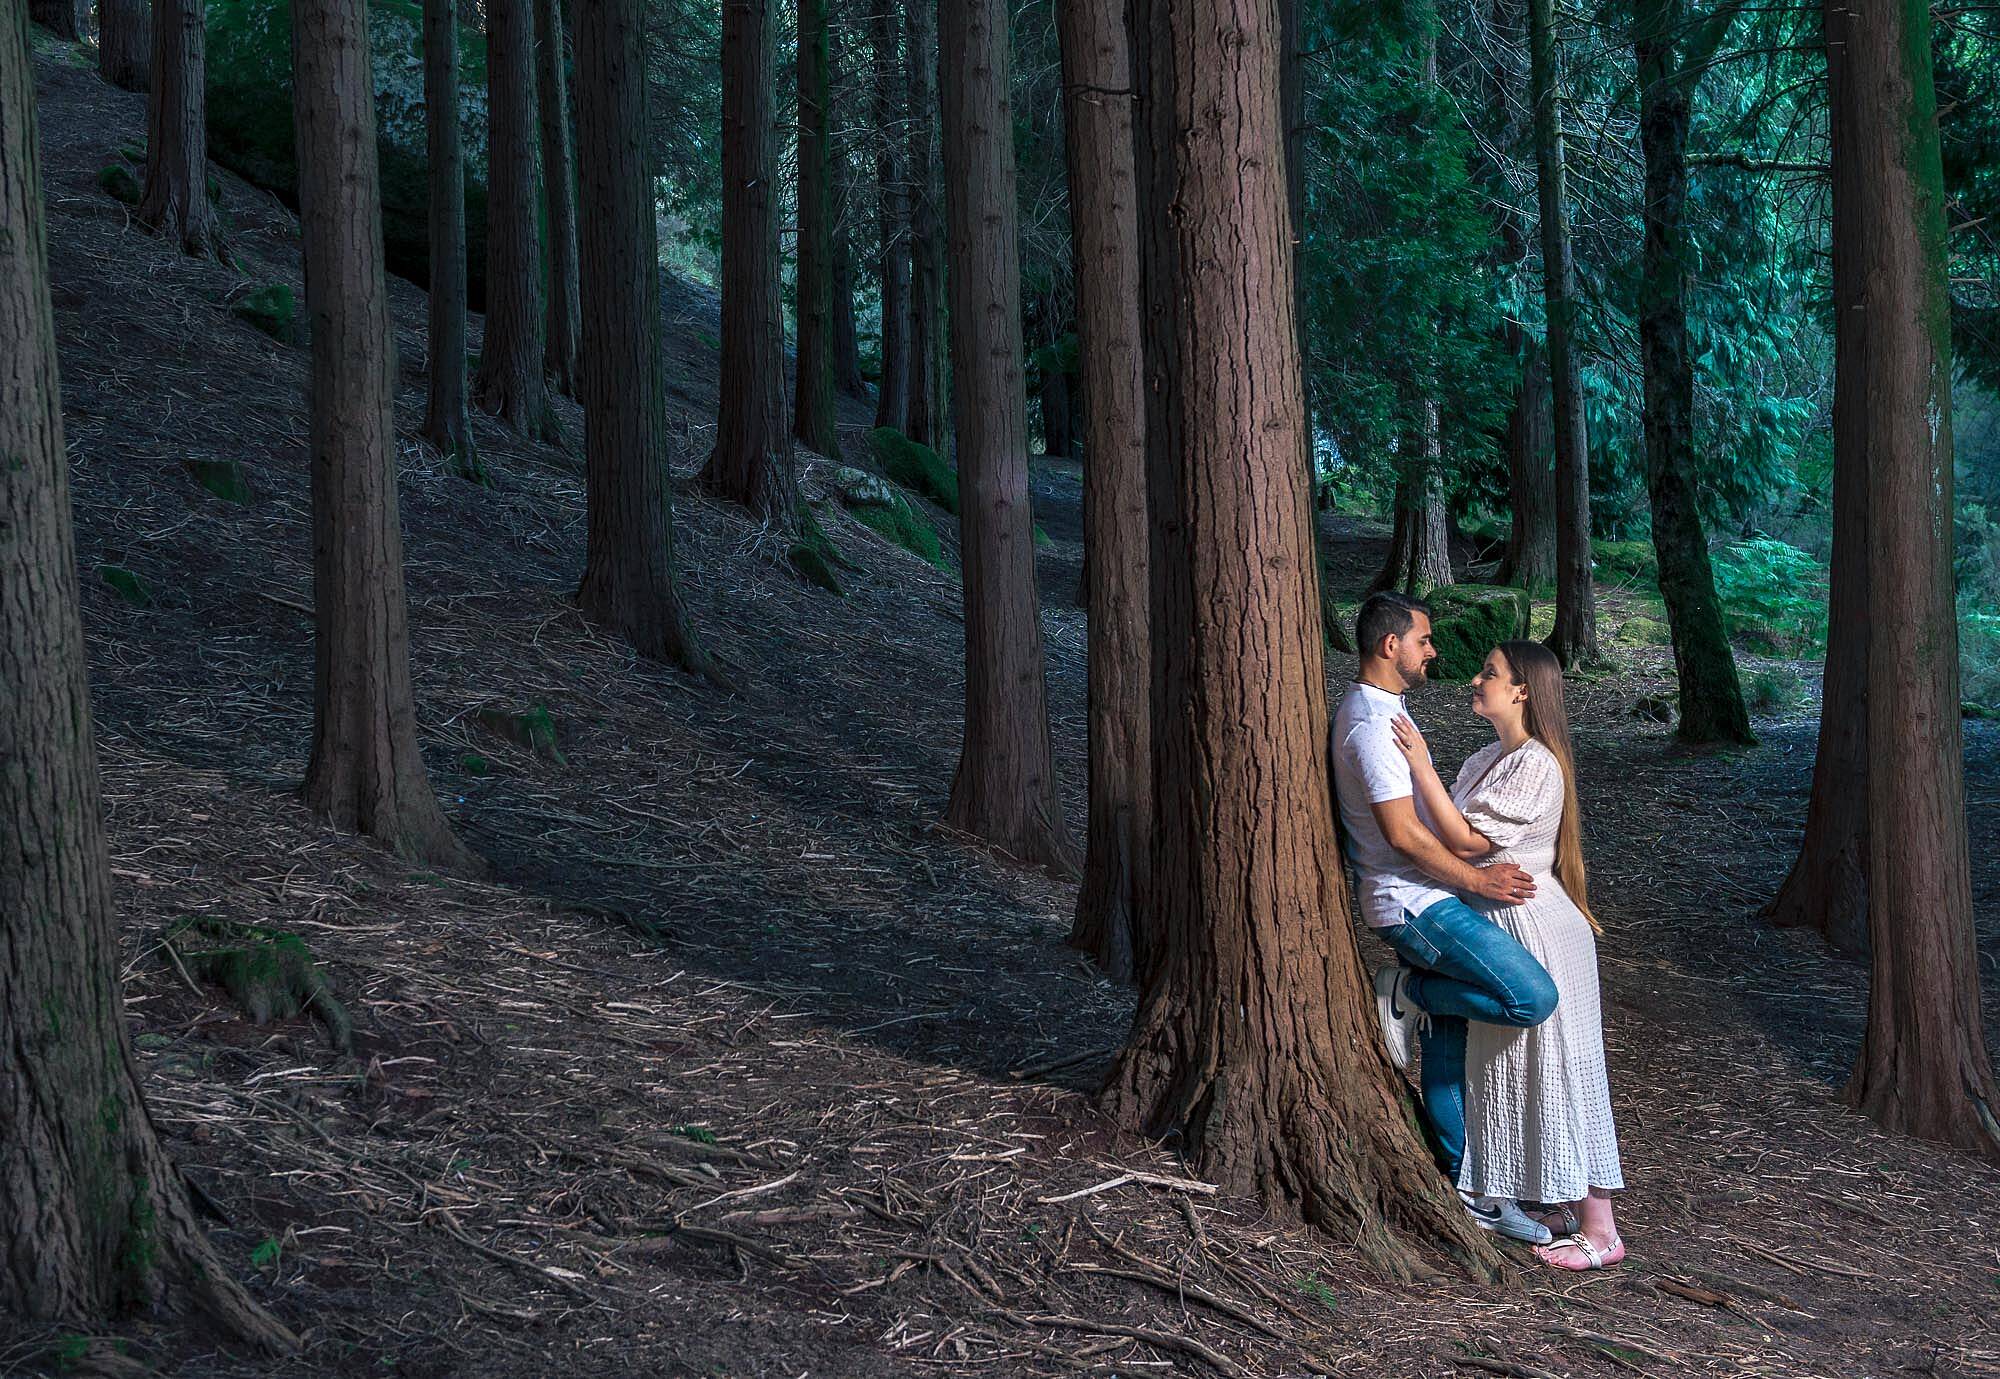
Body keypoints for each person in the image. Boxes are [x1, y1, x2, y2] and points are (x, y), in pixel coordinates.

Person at [1389, 640, 1626, 1270]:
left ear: (1522, 690)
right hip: (1498, 927)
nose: (1475, 678)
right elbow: (1445, 835)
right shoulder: (1485, 759)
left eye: (1489, 673)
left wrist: (1419, 767)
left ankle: (1602, 1230)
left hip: (1537, 929)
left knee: (1562, 1067)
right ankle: (1549, 1201)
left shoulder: (1538, 764)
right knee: (1508, 1071)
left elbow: (1466, 842)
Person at [1331, 593, 1558, 1246]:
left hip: (1426, 897)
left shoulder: (1386, 711)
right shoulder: (1370, 723)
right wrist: (1477, 879)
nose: (1434, 650)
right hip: (1413, 903)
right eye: (1424, 639)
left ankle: (1472, 1190)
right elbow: (1401, 834)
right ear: (1389, 646)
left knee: (1447, 1044)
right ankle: (1409, 991)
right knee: (1530, 995)